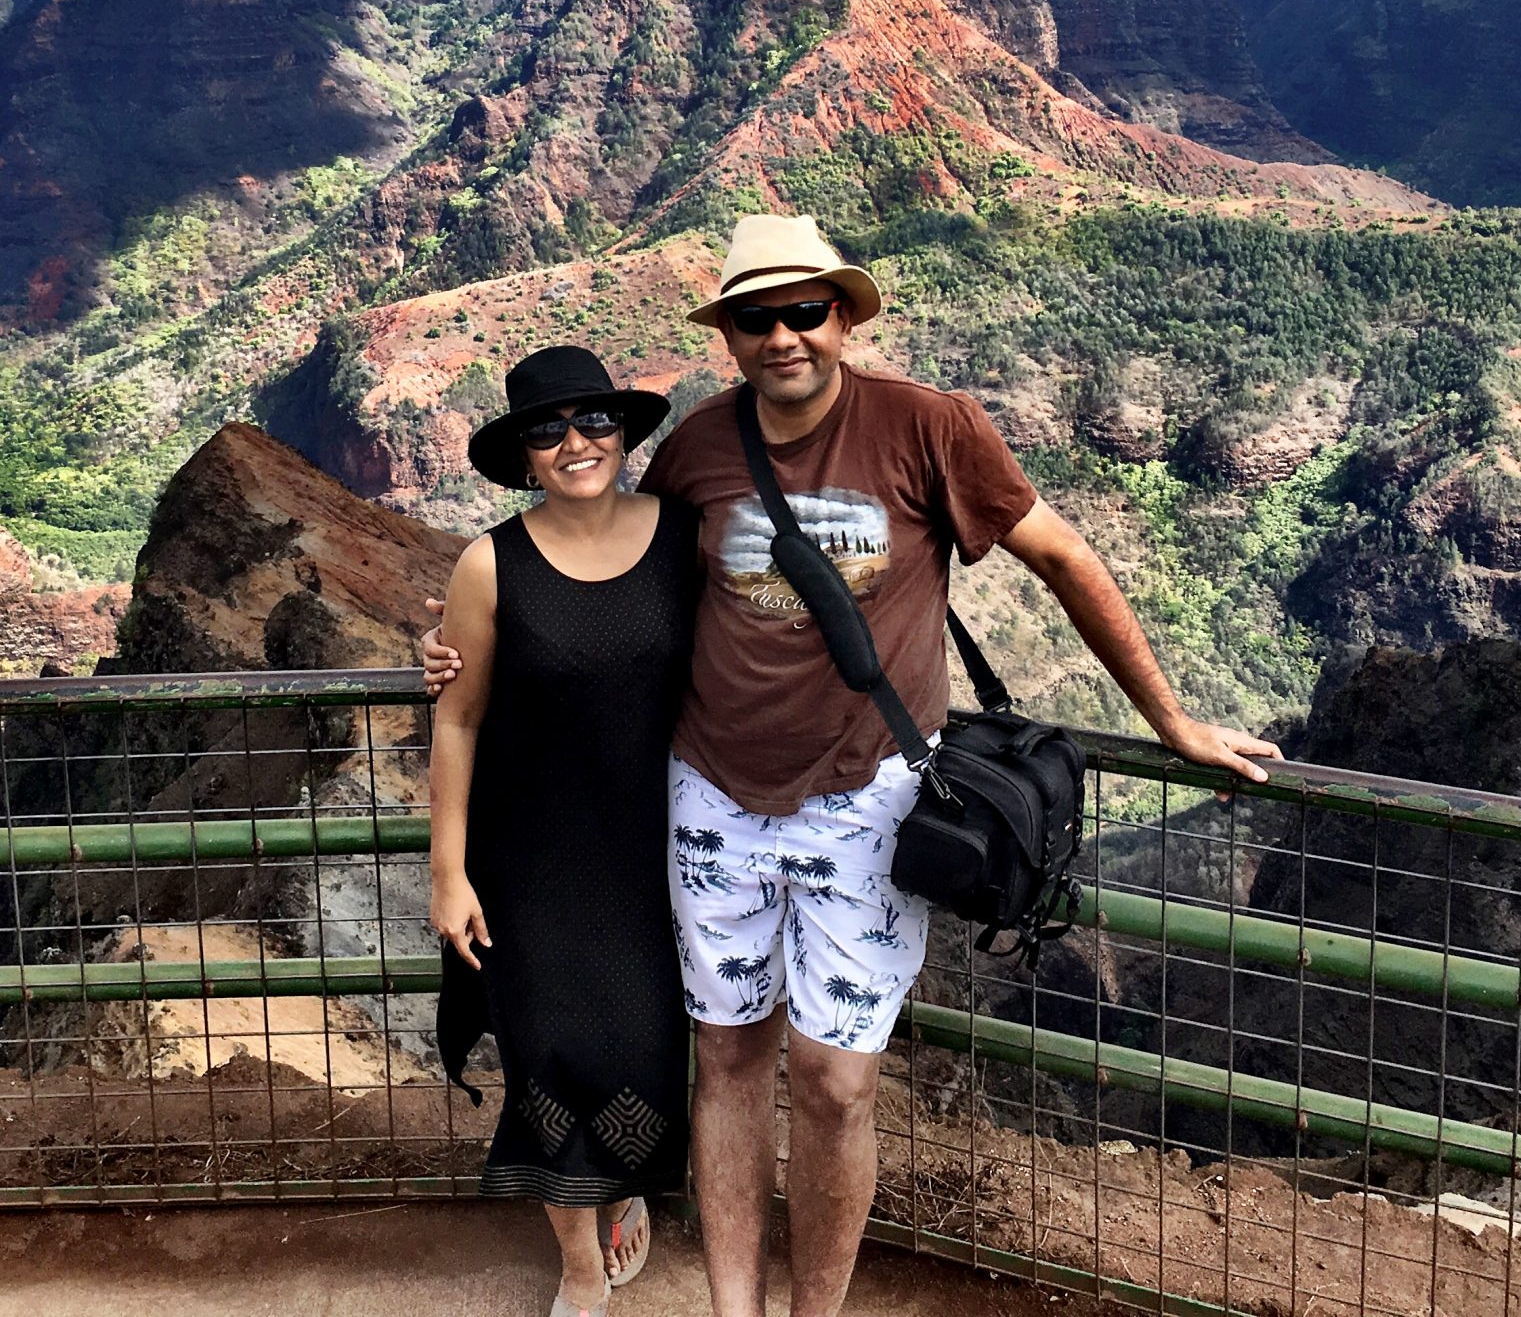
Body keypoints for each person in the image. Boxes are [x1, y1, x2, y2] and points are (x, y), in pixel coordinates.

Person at [427, 215, 1278, 1317]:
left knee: (834, 1082)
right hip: (712, 801)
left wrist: (1168, 720)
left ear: (843, 314)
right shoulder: (694, 450)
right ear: (726, 336)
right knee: (726, 1059)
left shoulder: (931, 427)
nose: (781, 334)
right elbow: (595, 577)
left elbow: (1061, 554)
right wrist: (448, 641)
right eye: (753, 316)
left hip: (863, 807)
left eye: (803, 310)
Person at [428, 345, 698, 1317]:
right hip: (530, 856)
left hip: (654, 851)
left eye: (590, 421)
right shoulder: (487, 563)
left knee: (639, 1047)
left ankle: (620, 1178)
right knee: (546, 1051)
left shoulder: (685, 537)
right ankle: (579, 1264)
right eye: (546, 430)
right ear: (522, 454)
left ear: (622, 431)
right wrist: (449, 868)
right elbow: (455, 718)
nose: (573, 443)